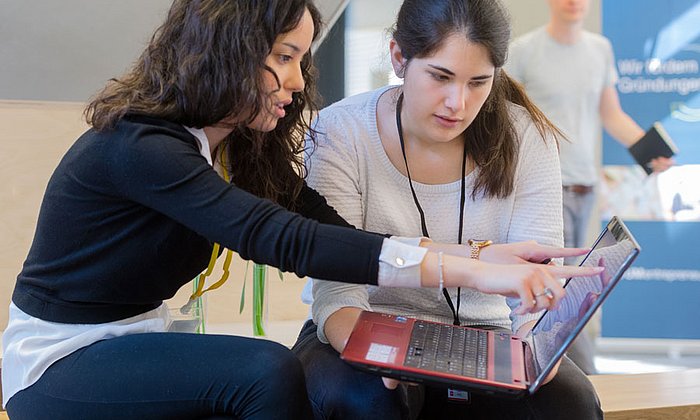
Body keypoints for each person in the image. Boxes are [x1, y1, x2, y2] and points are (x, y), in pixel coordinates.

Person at [1, 1, 604, 419]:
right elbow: (283, 239)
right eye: (284, 57)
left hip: (134, 339)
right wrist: (474, 270)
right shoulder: (143, 148)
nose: (297, 81)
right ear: (230, 50)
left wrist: (483, 255)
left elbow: (331, 231)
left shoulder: (229, 144)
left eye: (301, 59)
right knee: (266, 372)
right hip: (59, 359)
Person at [291, 0, 604, 418]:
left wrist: (538, 346)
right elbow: (338, 293)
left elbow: (533, 297)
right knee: (365, 398)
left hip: (485, 337)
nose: (458, 103)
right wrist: (379, 352)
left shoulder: (526, 137)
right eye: (441, 76)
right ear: (399, 57)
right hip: (361, 325)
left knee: (569, 401)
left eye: (478, 82)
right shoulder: (340, 130)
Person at [505, 0, 673, 374]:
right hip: (544, 187)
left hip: (586, 187)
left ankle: (569, 370)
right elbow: (505, 120)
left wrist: (649, 153)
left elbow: (611, 114)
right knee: (560, 289)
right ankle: (582, 374)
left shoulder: (600, 50)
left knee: (581, 287)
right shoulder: (524, 52)